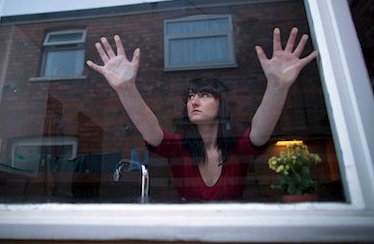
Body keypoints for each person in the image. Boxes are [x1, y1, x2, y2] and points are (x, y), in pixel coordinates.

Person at [86, 27, 318, 201]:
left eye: (204, 95)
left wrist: (278, 86)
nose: (193, 101)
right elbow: (151, 129)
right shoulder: (179, 148)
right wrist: (126, 88)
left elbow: (260, 130)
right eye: (190, 96)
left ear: (221, 105)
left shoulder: (237, 148)